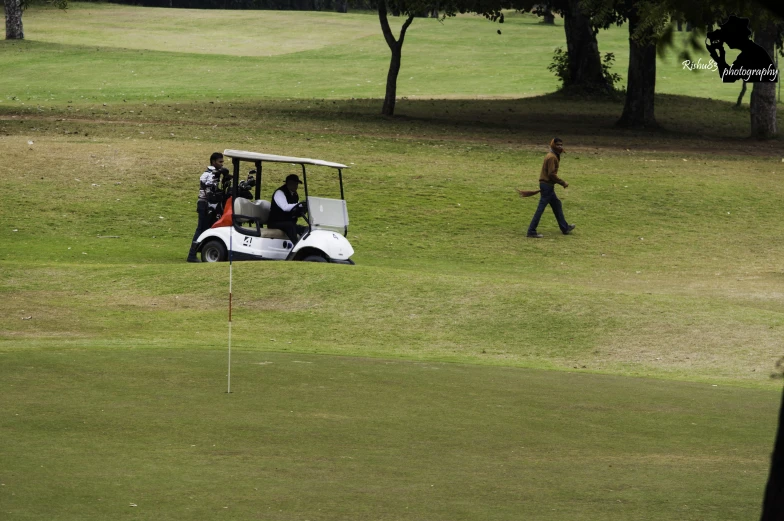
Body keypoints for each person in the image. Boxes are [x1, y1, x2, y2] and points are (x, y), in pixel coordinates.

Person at [525, 138, 575, 238]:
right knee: (541, 208)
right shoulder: (552, 157)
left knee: (557, 204)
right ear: (553, 145)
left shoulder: (552, 155)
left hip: (547, 186)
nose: (560, 147)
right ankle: (531, 231)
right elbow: (551, 174)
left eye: (561, 145)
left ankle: (565, 228)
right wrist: (562, 182)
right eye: (558, 145)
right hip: (547, 186)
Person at [186, 152, 228, 262]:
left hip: (206, 204)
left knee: (206, 228)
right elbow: (210, 190)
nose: (222, 164)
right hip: (205, 205)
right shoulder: (209, 174)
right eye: (220, 162)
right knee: (201, 229)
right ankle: (192, 255)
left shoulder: (212, 173)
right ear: (213, 162)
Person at [267, 174, 308, 244]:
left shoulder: (294, 194)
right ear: (288, 183)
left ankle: (306, 245)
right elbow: (285, 207)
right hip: (275, 222)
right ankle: (296, 246)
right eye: (294, 184)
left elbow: (296, 207)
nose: (296, 186)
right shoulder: (280, 193)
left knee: (306, 229)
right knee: (290, 226)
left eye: (297, 184)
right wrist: (299, 205)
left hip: (287, 222)